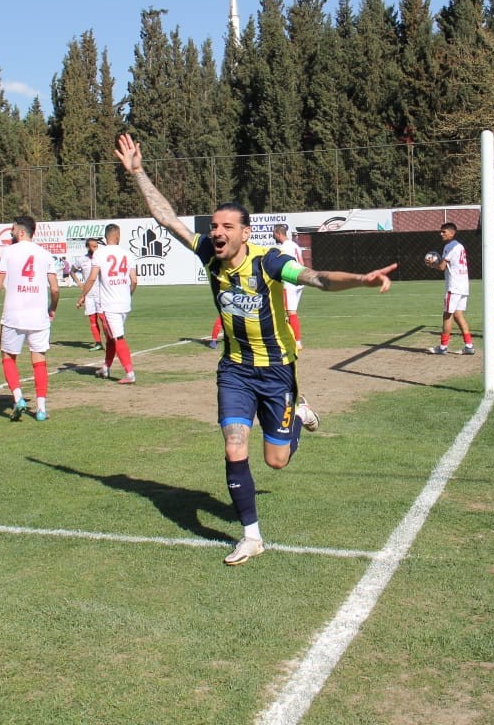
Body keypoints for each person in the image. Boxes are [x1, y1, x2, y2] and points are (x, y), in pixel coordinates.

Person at [115, 133, 397, 566]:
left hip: (278, 370)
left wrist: (360, 279)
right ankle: (251, 536)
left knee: (277, 460)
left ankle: (297, 414)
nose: (218, 233)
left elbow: (318, 278)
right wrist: (137, 172)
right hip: (235, 371)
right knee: (233, 445)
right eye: (214, 226)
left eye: (228, 227)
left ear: (246, 233)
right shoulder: (208, 254)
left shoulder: (269, 262)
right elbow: (167, 218)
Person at [0, 215, 60, 421]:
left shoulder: (8, 252)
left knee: (8, 357)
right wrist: (52, 308)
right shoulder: (45, 254)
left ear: (21, 231)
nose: (11, 232)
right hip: (38, 317)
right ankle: (41, 408)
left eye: (13, 229)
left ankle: (18, 398)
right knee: (39, 358)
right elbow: (54, 288)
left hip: (13, 316)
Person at [78, 223, 138, 384]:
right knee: (111, 337)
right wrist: (128, 294)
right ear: (118, 236)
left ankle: (130, 373)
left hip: (109, 304)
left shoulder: (99, 254)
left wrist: (82, 295)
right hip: (125, 303)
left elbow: (91, 278)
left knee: (117, 337)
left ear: (106, 237)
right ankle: (106, 368)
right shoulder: (128, 254)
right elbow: (134, 281)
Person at [426, 222, 474, 355]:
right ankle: (469, 345)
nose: (441, 234)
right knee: (458, 315)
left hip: (454, 286)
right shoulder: (460, 246)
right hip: (464, 285)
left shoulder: (449, 246)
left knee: (447, 315)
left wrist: (432, 264)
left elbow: (441, 267)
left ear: (452, 233)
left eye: (444, 232)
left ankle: (442, 347)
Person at [271, 223, 305, 351]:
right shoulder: (295, 245)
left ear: (279, 234)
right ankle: (293, 339)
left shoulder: (283, 248)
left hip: (289, 282)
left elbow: (281, 267)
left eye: (274, 234)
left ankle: (296, 341)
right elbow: (301, 263)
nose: (273, 236)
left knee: (290, 312)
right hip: (299, 280)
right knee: (291, 311)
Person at [71, 238, 105, 350]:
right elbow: (72, 271)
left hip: (101, 292)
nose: (94, 248)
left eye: (96, 246)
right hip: (89, 293)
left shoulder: (101, 258)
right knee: (92, 319)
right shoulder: (82, 259)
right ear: (87, 247)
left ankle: (110, 340)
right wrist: (79, 283)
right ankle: (98, 343)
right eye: (92, 246)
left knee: (103, 318)